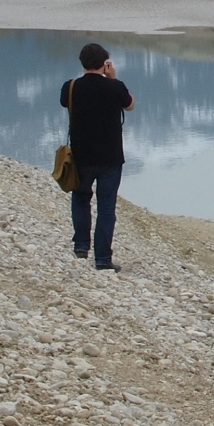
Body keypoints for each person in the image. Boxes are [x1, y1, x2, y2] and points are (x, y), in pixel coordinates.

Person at [61, 43, 133, 271]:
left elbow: (65, 103)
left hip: (81, 156)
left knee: (81, 199)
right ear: (105, 64)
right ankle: (103, 259)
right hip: (110, 158)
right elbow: (130, 105)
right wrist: (112, 79)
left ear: (82, 63)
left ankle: (81, 247)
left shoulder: (70, 87)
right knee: (106, 207)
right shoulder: (115, 87)